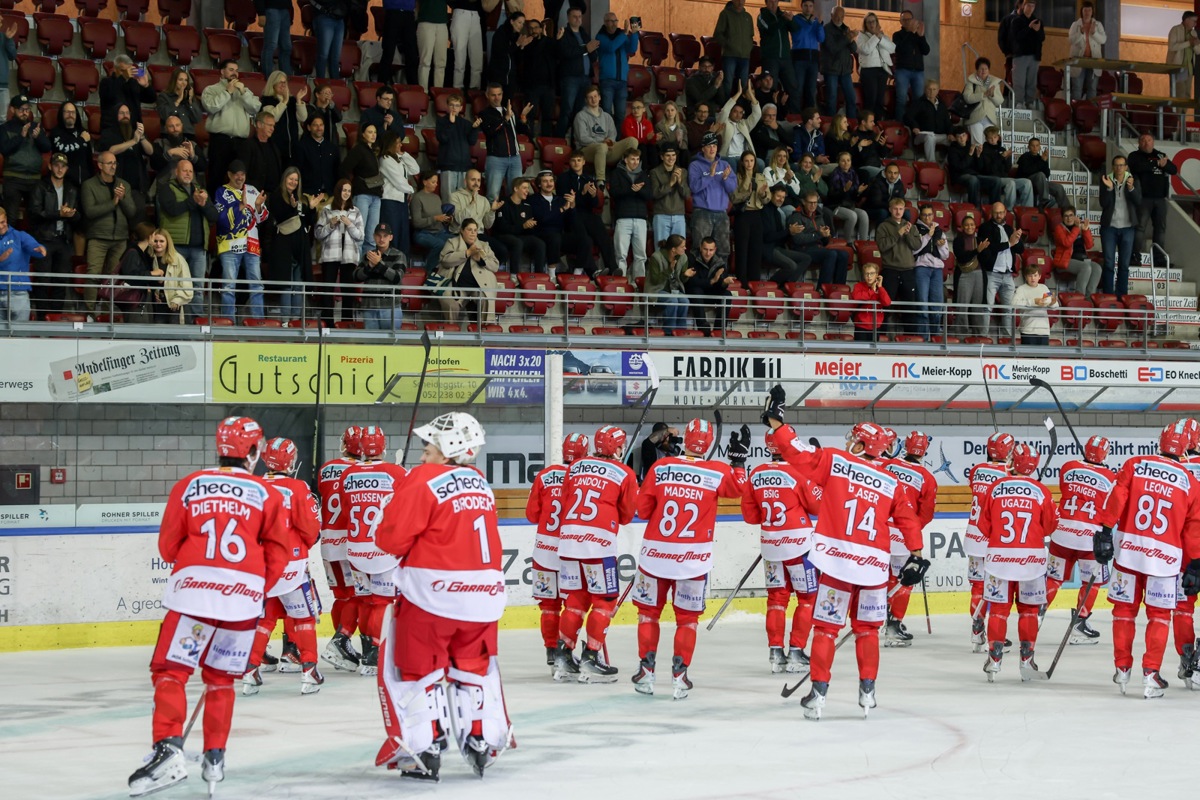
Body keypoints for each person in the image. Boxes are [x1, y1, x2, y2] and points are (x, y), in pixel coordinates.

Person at [125, 417, 289, 799]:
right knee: (221, 680)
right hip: (243, 601)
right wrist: (254, 588)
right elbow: (279, 552)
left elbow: (168, 547)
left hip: (192, 596)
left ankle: (168, 749)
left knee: (171, 671)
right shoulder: (267, 493)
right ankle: (215, 756)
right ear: (253, 451)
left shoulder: (190, 484)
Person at [761, 393, 927, 721]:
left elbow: (794, 451)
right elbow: (909, 519)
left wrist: (777, 422)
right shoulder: (891, 482)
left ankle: (818, 693)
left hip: (837, 565)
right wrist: (917, 555)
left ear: (862, 446)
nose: (848, 441)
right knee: (867, 631)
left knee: (826, 630)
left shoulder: (836, 462)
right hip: (874, 569)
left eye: (853, 438)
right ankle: (868, 692)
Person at [372, 412, 512, 780]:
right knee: (473, 669)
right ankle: (481, 739)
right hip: (484, 597)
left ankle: (425, 747)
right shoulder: (480, 483)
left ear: (447, 448)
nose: (422, 456)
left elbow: (390, 539)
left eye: (428, 449)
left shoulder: (423, 478)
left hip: (431, 593)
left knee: (418, 670)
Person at [632, 420, 748, 698]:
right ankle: (679, 677)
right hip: (692, 561)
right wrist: (738, 462)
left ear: (684, 439)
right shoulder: (717, 471)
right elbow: (739, 488)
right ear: (708, 444)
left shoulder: (661, 468)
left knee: (648, 615)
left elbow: (643, 510)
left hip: (655, 557)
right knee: (687, 621)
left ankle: (646, 674)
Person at [1096, 420, 1200, 698]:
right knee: (1159, 616)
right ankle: (1151, 674)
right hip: (1164, 560)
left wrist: (1104, 531)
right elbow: (1193, 528)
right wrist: (1196, 562)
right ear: (1186, 448)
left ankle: (1122, 668)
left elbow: (1116, 498)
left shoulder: (1135, 464)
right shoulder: (1190, 483)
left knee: (1123, 611)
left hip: (1128, 552)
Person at [553, 425, 639, 683]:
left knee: (575, 601)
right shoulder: (624, 473)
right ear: (617, 448)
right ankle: (591, 657)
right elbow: (627, 516)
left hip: (568, 542)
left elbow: (565, 499)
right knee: (604, 602)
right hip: (598, 545)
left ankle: (563, 657)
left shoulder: (575, 466)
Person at [242, 438, 323, 696]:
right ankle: (309, 670)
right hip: (291, 566)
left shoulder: (252, 486)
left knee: (264, 619)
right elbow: (311, 528)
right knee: (304, 618)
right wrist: (305, 543)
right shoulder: (297, 487)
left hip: (262, 567)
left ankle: (250, 671)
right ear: (290, 461)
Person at [742, 426, 819, 673]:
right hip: (799, 546)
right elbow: (817, 506)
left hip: (771, 545)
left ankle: (775, 652)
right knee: (808, 598)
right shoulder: (799, 471)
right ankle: (796, 652)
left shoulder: (756, 473)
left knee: (776, 598)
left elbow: (750, 515)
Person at [978, 443, 1057, 681]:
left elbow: (983, 525)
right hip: (1031, 562)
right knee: (1029, 611)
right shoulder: (1041, 491)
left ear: (1013, 462)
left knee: (998, 610)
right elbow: (1050, 526)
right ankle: (1026, 660)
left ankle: (994, 660)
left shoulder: (996, 487)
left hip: (999, 561)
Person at [335, 426, 407, 675]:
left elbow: (346, 510)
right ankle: (374, 654)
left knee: (365, 599)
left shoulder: (348, 474)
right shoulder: (396, 472)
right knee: (382, 602)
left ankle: (366, 651)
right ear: (384, 446)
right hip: (382, 551)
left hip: (355, 550)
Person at [1044, 435, 1115, 645]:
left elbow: (1065, 487)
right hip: (1089, 539)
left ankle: (1035, 615)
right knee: (1092, 582)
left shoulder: (1068, 467)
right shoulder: (1110, 477)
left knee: (1053, 578)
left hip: (1061, 534)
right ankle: (1080, 623)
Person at [527, 433, 589, 668]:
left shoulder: (545, 475)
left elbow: (532, 515)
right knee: (572, 605)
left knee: (548, 606)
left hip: (543, 551)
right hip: (570, 551)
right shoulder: (585, 477)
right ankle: (566, 651)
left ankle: (551, 650)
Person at [317, 427, 366, 672]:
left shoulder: (326, 469)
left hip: (328, 542)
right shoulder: (362, 472)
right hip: (351, 544)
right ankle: (341, 641)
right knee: (359, 597)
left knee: (342, 596)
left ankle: (341, 650)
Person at [882, 432, 938, 645]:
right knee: (904, 578)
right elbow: (926, 514)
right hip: (903, 535)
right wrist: (913, 530)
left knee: (881, 577)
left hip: (879, 530)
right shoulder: (926, 477)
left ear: (905, 445)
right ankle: (894, 625)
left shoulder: (887, 466)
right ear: (924, 451)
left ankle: (876, 617)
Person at [963, 432, 1016, 651]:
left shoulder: (977, 470)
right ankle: (995, 636)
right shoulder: (1008, 475)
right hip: (994, 539)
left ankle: (977, 629)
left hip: (973, 537)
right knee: (997, 587)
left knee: (978, 585)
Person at [157, 159, 217, 318]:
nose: (188, 174)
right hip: (176, 246)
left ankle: (196, 321)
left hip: (199, 248)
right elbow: (172, 209)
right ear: (176, 172)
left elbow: (214, 216)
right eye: (184, 170)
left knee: (197, 287)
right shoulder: (167, 188)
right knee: (175, 284)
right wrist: (193, 201)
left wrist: (204, 204)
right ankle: (175, 320)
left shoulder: (200, 191)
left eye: (191, 171)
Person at [81, 153, 137, 313]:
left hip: (120, 238)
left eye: (115, 163)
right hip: (98, 237)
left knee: (113, 278)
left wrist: (123, 198)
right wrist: (113, 202)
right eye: (109, 163)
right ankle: (90, 313)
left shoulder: (123, 184)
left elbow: (132, 212)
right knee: (93, 275)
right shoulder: (89, 185)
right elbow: (90, 211)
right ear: (100, 165)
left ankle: (108, 313)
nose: (113, 166)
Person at [213, 160, 268, 320]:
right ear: (229, 175)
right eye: (236, 174)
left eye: (242, 174)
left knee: (257, 285)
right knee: (229, 286)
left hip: (252, 244)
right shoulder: (222, 192)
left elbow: (262, 217)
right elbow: (221, 220)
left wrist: (258, 206)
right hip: (230, 245)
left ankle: (258, 322)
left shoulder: (252, 190)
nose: (240, 177)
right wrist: (239, 207)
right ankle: (228, 322)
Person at [202, 59, 262, 196]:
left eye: (236, 70)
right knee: (216, 176)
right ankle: (214, 206)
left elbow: (256, 108)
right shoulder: (211, 90)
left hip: (241, 142)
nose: (234, 73)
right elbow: (211, 107)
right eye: (231, 70)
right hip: (220, 140)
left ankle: (238, 206)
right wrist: (227, 92)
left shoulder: (244, 91)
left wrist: (243, 92)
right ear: (222, 72)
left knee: (239, 178)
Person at [266, 167, 319, 320]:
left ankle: (295, 320)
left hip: (301, 245)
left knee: (298, 284)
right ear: (285, 179)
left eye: (296, 180)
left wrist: (312, 208)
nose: (293, 182)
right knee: (286, 284)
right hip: (284, 246)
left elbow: (308, 222)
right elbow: (280, 217)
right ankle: (285, 320)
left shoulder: (300, 198)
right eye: (291, 178)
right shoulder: (276, 196)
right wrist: (291, 207)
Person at [29, 153, 80, 315]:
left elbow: (79, 217)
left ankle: (55, 317)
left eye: (63, 166)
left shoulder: (72, 188)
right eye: (56, 165)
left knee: (61, 280)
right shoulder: (40, 186)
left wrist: (71, 215)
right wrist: (59, 214)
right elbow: (34, 213)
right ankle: (42, 318)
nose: (59, 169)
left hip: (64, 239)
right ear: (50, 166)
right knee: (43, 280)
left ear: (67, 169)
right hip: (44, 239)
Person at [314, 179, 365, 326]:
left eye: (349, 191)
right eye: (344, 190)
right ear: (338, 191)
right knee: (328, 290)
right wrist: (330, 225)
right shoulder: (327, 210)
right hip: (330, 255)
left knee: (348, 291)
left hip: (349, 256)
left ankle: (346, 323)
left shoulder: (356, 211)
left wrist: (349, 224)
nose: (346, 193)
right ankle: (328, 324)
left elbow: (361, 236)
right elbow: (318, 234)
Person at [558, 152, 617, 275]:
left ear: (584, 162)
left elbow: (594, 204)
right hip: (571, 214)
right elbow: (567, 201)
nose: (576, 163)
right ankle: (593, 271)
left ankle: (613, 269)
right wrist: (583, 193)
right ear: (570, 163)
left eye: (579, 160)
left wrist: (594, 195)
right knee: (585, 239)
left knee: (604, 236)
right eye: (574, 160)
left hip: (588, 214)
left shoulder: (589, 179)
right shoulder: (563, 178)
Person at [436, 217, 500, 323]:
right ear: (462, 230)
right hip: (456, 286)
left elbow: (495, 266)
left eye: (475, 230)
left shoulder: (484, 245)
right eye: (469, 230)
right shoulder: (452, 242)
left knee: (487, 299)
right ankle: (451, 329)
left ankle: (485, 328)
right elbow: (445, 260)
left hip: (478, 287)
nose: (473, 233)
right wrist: (467, 253)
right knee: (450, 304)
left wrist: (480, 260)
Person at [0, 95, 51, 226]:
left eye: (27, 109)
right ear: (12, 109)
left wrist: (38, 137)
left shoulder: (35, 127)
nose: (25, 113)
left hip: (34, 179)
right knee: (11, 218)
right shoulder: (5, 128)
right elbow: (4, 149)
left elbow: (47, 148)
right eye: (21, 109)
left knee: (35, 218)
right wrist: (21, 136)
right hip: (13, 178)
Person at [1127, 133, 1177, 265]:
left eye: (1149, 140)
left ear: (1153, 142)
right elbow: (1137, 167)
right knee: (1140, 228)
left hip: (1160, 199)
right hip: (1143, 198)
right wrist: (1156, 163)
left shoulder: (1160, 155)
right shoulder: (1134, 156)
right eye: (1143, 140)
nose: (1146, 143)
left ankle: (1159, 258)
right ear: (1139, 143)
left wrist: (1163, 164)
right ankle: (1134, 256)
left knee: (1160, 229)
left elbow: (1173, 169)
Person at [875, 197, 922, 336]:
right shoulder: (883, 226)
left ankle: (911, 338)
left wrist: (907, 235)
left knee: (910, 307)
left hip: (908, 271)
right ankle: (880, 337)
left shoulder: (911, 226)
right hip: (890, 270)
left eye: (901, 209)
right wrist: (898, 234)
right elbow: (882, 246)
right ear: (890, 209)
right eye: (895, 209)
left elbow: (917, 245)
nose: (898, 211)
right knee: (885, 305)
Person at [573, 85, 637, 188]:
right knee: (601, 147)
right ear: (586, 100)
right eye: (590, 97)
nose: (593, 99)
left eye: (595, 96)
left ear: (599, 97)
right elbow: (582, 138)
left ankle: (625, 174)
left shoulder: (607, 116)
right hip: (587, 150)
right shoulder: (581, 116)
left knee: (632, 141)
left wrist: (610, 142)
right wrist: (602, 142)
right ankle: (600, 181)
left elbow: (613, 134)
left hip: (607, 149)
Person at [98, 104, 152, 223]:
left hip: (137, 187)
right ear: (115, 115)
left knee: (139, 218)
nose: (125, 116)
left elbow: (150, 151)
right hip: (116, 185)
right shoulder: (109, 133)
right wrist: (133, 141)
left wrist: (142, 137)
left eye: (127, 113)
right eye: (121, 113)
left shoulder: (135, 132)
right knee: (119, 217)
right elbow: (110, 151)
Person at [688, 132, 737, 263]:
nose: (712, 149)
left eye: (714, 146)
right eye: (709, 146)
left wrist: (725, 178)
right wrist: (710, 175)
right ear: (703, 148)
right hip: (702, 213)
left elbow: (732, 188)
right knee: (699, 248)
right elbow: (694, 187)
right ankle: (699, 275)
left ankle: (721, 274)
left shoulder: (725, 165)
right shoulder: (695, 165)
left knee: (723, 250)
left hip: (721, 213)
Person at [978, 201, 1024, 339]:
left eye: (1001, 212)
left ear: (1005, 213)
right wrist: (1009, 243)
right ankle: (984, 338)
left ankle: (1007, 339)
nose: (999, 215)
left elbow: (1020, 249)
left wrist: (1017, 239)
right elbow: (990, 248)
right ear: (991, 213)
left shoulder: (1010, 229)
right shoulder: (985, 228)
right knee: (987, 307)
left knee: (1009, 309)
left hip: (1008, 274)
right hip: (992, 274)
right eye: (996, 213)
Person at [479, 86, 531, 202]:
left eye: (499, 94)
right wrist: (506, 118)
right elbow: (490, 131)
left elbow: (522, 130)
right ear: (487, 96)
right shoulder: (484, 113)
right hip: (495, 158)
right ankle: (491, 214)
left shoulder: (509, 110)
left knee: (516, 193)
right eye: (493, 95)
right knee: (493, 195)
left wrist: (523, 117)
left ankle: (512, 214)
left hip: (515, 157)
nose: (497, 98)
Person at [1099, 154, 1141, 298]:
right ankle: (1108, 295)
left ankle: (1122, 295)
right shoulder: (1106, 179)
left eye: (1121, 165)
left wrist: (1131, 188)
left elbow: (1138, 201)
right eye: (1116, 165)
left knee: (1124, 264)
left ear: (1126, 167)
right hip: (1109, 227)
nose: (1119, 168)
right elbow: (1103, 203)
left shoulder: (1133, 180)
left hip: (1128, 228)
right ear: (1113, 167)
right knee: (1109, 262)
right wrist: (1109, 189)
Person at [555, 6, 599, 137]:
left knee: (580, 112)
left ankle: (576, 142)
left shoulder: (584, 34)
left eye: (580, 16)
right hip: (570, 78)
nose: (578, 19)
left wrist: (591, 50)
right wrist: (586, 49)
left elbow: (593, 56)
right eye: (574, 16)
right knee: (567, 110)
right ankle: (559, 140)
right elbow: (566, 53)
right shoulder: (564, 33)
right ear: (568, 18)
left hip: (585, 78)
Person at [341, 122, 383, 257]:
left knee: (371, 237)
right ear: (363, 134)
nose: (373, 135)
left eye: (375, 132)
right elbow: (344, 168)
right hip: (362, 194)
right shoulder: (359, 149)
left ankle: (366, 265)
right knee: (359, 234)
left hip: (375, 195)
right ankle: (355, 265)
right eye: (370, 132)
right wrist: (349, 187)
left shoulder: (373, 151)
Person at [355, 223, 406, 329]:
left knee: (391, 339)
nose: (381, 239)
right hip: (369, 306)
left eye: (385, 236)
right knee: (372, 340)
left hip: (390, 306)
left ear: (391, 237)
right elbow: (356, 276)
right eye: (378, 235)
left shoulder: (399, 255)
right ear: (374, 236)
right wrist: (369, 266)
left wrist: (379, 264)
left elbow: (397, 277)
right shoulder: (368, 255)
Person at [528, 169, 580, 273]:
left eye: (551, 181)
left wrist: (572, 206)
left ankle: (578, 272)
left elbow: (571, 222)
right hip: (540, 234)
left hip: (559, 234)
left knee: (584, 240)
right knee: (554, 237)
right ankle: (552, 274)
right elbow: (542, 219)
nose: (549, 184)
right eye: (545, 181)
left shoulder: (560, 200)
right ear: (539, 184)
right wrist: (562, 209)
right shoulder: (533, 200)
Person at [377, 129, 419, 258]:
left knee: (403, 234)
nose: (401, 145)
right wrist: (411, 190)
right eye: (398, 142)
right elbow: (398, 181)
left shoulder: (399, 158)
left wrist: (404, 154)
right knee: (392, 233)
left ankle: (402, 262)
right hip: (390, 201)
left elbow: (415, 169)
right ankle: (390, 261)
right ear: (390, 143)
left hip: (401, 200)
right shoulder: (385, 160)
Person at [788, 191, 846, 285]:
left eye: (815, 202)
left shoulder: (818, 216)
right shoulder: (796, 217)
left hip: (818, 248)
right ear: (803, 202)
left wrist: (826, 235)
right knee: (831, 254)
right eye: (810, 202)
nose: (813, 205)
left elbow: (824, 241)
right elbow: (798, 240)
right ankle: (822, 288)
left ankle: (839, 287)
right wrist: (818, 234)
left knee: (844, 254)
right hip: (803, 249)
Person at [492, 177, 545, 274]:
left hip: (520, 236)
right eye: (524, 188)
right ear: (516, 189)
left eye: (528, 188)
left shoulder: (527, 206)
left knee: (539, 243)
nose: (527, 191)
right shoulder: (503, 203)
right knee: (517, 242)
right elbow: (502, 228)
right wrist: (523, 226)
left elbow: (528, 231)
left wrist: (530, 226)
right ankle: (514, 274)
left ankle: (539, 275)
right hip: (502, 236)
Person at [0, 208, 46, 322]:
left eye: (2, 222)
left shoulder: (20, 236)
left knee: (20, 332)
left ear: (6, 219)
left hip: (19, 293)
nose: (1, 226)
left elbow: (35, 248)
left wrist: (40, 249)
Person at [731, 151, 769, 284]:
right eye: (746, 161)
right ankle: (742, 282)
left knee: (756, 250)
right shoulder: (737, 177)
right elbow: (734, 197)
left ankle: (754, 283)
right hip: (743, 214)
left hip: (757, 214)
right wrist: (747, 179)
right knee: (742, 250)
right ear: (742, 162)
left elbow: (767, 199)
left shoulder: (760, 177)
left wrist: (763, 194)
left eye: (752, 161)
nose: (749, 164)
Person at [912, 204, 949, 341]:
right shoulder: (916, 229)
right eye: (924, 215)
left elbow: (945, 255)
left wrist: (941, 246)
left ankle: (935, 336)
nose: (927, 218)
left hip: (937, 269)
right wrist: (928, 236)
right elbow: (914, 249)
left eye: (930, 215)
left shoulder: (940, 231)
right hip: (921, 267)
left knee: (937, 304)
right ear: (920, 216)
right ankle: (923, 338)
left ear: (933, 216)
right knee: (922, 303)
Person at [644, 234, 693, 334]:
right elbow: (655, 280)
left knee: (685, 301)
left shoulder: (683, 257)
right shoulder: (656, 257)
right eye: (682, 246)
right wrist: (669, 270)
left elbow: (682, 280)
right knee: (672, 300)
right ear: (673, 249)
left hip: (674, 290)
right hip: (656, 290)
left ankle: (680, 331)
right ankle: (669, 331)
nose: (685, 248)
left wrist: (685, 275)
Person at [762, 184, 810, 284]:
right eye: (778, 196)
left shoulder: (777, 213)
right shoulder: (765, 211)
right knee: (791, 266)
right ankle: (770, 286)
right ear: (771, 195)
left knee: (806, 258)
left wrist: (793, 232)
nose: (781, 199)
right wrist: (788, 231)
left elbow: (780, 237)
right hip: (767, 249)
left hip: (777, 248)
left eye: (783, 197)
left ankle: (786, 286)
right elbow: (767, 237)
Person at [686, 236, 735, 335]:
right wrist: (712, 281)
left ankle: (719, 330)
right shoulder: (691, 258)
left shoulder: (720, 263)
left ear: (715, 249)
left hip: (711, 292)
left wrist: (724, 283)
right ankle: (703, 327)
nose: (708, 253)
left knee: (727, 294)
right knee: (696, 290)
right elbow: (692, 282)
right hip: (695, 294)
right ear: (700, 248)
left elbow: (719, 285)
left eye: (711, 250)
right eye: (705, 249)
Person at [596, 13, 639, 124]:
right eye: (611, 21)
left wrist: (634, 34)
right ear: (605, 22)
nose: (614, 23)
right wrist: (624, 34)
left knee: (620, 114)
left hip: (622, 81)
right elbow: (611, 47)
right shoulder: (600, 36)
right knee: (606, 112)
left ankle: (618, 135)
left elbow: (632, 49)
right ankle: (607, 135)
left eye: (616, 21)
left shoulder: (621, 35)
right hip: (607, 81)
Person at [759, 0, 799, 114]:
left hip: (785, 57)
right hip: (770, 57)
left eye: (775, 1)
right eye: (771, 2)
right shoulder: (762, 16)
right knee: (771, 87)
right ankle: (770, 114)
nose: (773, 4)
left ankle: (794, 115)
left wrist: (791, 20)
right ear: (766, 2)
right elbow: (770, 29)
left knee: (792, 86)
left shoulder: (783, 15)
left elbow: (795, 29)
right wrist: (783, 19)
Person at [260, 72, 308, 166]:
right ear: (273, 84)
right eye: (280, 82)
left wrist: (298, 100)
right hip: (275, 145)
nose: (283, 85)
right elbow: (273, 118)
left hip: (293, 146)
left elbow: (302, 118)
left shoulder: (292, 100)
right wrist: (284, 101)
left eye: (284, 82)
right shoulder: (267, 99)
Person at [951, 212, 987, 338]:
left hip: (979, 274)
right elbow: (962, 257)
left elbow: (985, 259)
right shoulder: (958, 240)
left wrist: (982, 251)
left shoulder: (979, 240)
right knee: (963, 306)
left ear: (975, 226)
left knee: (977, 307)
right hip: (964, 275)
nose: (969, 227)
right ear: (962, 227)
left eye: (972, 224)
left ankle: (978, 336)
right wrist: (977, 251)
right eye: (966, 225)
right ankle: (961, 336)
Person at [1052, 206, 1101, 297]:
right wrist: (1076, 229)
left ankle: (1089, 298)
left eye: (1071, 215)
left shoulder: (1079, 228)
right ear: (1062, 218)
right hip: (1065, 261)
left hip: (1082, 259)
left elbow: (1089, 245)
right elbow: (1067, 243)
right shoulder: (1059, 228)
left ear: (1075, 216)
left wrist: (1085, 231)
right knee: (1085, 268)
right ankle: (1079, 297)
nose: (1069, 218)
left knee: (1097, 268)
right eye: (1066, 216)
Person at [519, 17, 557, 137]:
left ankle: (546, 140)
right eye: (531, 28)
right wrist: (522, 47)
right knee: (530, 115)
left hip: (548, 86)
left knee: (547, 116)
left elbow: (559, 53)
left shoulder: (549, 42)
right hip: (532, 87)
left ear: (541, 29)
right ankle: (529, 139)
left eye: (536, 28)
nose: (533, 30)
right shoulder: (526, 44)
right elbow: (519, 61)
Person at [150, 115, 207, 192]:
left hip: (189, 187)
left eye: (177, 125)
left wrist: (193, 156)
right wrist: (170, 153)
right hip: (165, 186)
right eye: (171, 126)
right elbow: (154, 165)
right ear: (166, 129)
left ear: (182, 126)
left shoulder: (192, 145)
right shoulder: (159, 143)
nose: (175, 129)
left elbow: (203, 167)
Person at [892, 9, 929, 124]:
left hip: (918, 71)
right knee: (901, 99)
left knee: (918, 99)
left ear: (913, 20)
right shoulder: (897, 35)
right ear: (900, 21)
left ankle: (916, 124)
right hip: (903, 70)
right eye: (905, 20)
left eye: (909, 19)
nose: (907, 22)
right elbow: (900, 49)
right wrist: (910, 33)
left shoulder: (918, 34)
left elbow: (926, 51)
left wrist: (921, 37)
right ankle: (900, 125)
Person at [980, 126, 1033, 208]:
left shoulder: (1002, 149)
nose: (993, 140)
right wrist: (1001, 157)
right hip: (992, 178)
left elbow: (1007, 169)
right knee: (1010, 182)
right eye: (990, 138)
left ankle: (1027, 210)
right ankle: (1009, 210)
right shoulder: (984, 150)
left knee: (1027, 182)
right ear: (986, 138)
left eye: (995, 137)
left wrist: (1007, 158)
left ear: (998, 137)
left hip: (1004, 178)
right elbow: (989, 169)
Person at [436, 94, 475, 202]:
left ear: (461, 108)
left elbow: (472, 141)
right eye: (451, 105)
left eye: (457, 105)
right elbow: (443, 138)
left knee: (463, 199)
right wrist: (451, 124)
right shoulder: (441, 121)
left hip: (464, 166)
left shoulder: (466, 123)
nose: (454, 108)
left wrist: (474, 129)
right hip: (448, 165)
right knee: (448, 198)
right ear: (447, 106)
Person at [236, 111, 283, 201]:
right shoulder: (247, 145)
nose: (272, 129)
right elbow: (242, 172)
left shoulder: (274, 146)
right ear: (259, 124)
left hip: (273, 195)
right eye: (269, 125)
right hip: (253, 195)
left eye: (273, 126)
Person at [649, 145, 690, 244]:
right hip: (661, 215)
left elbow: (686, 195)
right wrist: (670, 183)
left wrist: (680, 182)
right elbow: (655, 194)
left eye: (673, 155)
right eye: (668, 155)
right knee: (661, 249)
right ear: (662, 157)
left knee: (679, 248)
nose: (671, 158)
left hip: (679, 215)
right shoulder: (654, 172)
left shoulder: (683, 172)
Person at [450, 0, 495, 92]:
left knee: (477, 56)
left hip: (476, 14)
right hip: (460, 12)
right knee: (459, 56)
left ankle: (475, 88)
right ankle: (457, 87)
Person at [821, 6, 857, 118]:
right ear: (831, 16)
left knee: (851, 98)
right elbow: (833, 48)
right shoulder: (826, 29)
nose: (839, 19)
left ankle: (852, 123)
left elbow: (853, 49)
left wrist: (851, 39)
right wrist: (847, 38)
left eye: (842, 16)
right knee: (832, 98)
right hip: (831, 69)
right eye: (836, 16)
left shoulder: (846, 29)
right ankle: (831, 123)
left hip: (845, 70)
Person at [99, 54, 155, 127]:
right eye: (123, 71)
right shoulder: (106, 82)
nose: (127, 73)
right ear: (115, 69)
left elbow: (151, 99)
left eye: (128, 70)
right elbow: (110, 96)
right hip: (112, 127)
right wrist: (123, 77)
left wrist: (146, 85)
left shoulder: (134, 83)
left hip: (134, 127)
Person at [857, 13, 894, 122]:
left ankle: (877, 123)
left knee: (879, 100)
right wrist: (876, 37)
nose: (871, 24)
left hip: (882, 70)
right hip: (868, 71)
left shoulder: (882, 36)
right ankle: (867, 123)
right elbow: (866, 50)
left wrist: (880, 37)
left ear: (877, 23)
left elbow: (892, 48)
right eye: (869, 22)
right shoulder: (861, 36)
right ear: (865, 24)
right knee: (871, 99)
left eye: (873, 21)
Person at [789, 0, 824, 113]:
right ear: (801, 6)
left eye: (810, 6)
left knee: (811, 89)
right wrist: (810, 23)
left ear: (813, 7)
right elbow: (798, 36)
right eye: (805, 6)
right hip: (799, 58)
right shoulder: (795, 19)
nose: (808, 8)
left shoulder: (815, 21)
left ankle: (809, 115)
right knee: (798, 88)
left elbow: (821, 38)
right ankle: (795, 114)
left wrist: (819, 25)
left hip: (813, 59)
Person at [50, 101, 93, 189]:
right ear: (61, 114)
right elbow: (63, 149)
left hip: (85, 181)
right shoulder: (56, 132)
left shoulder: (83, 132)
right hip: (64, 182)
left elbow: (89, 158)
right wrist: (81, 140)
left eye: (73, 112)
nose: (70, 115)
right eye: (67, 112)